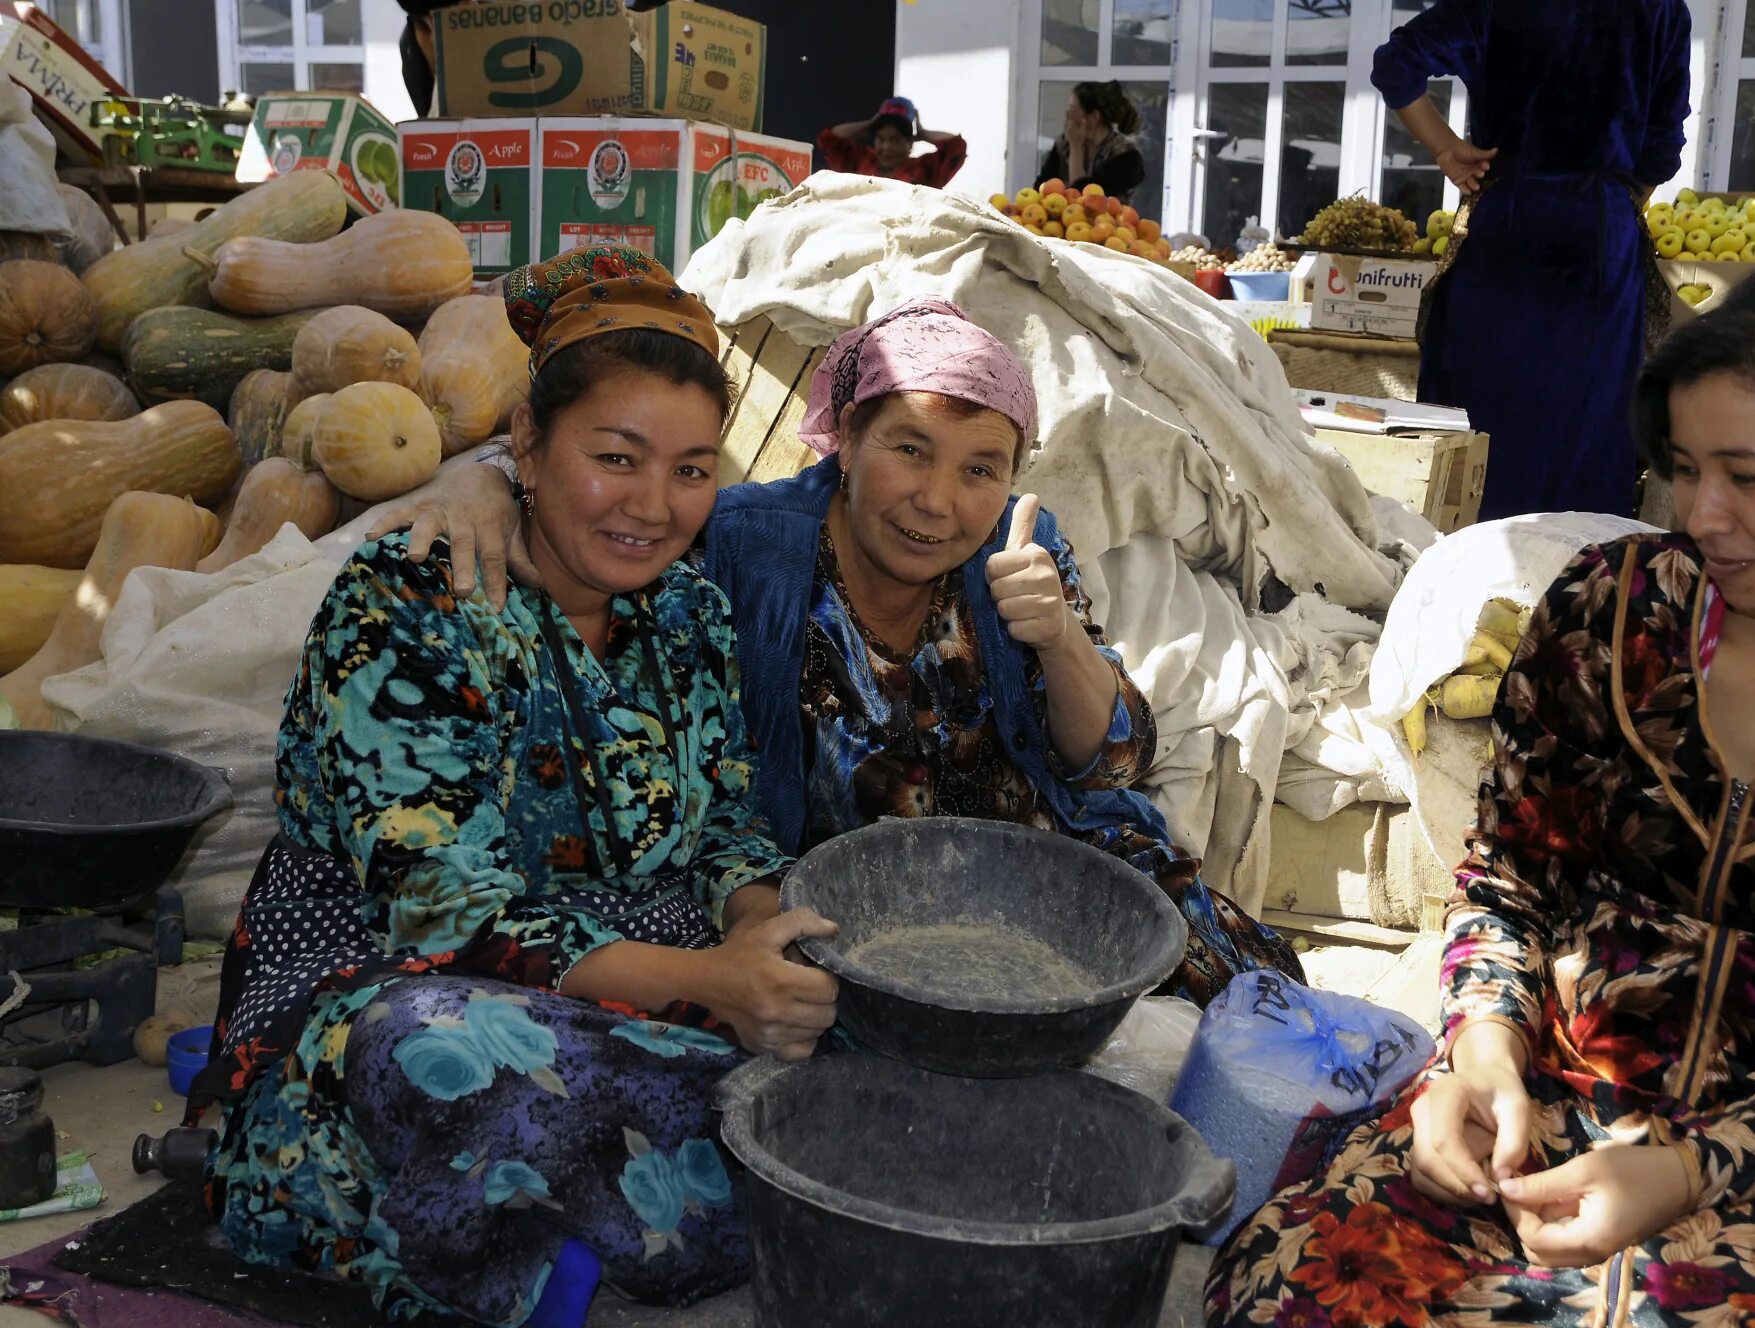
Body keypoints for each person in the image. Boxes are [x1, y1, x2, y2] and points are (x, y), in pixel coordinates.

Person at [1207, 232, 1755, 1328]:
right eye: (1683, 467)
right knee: (1290, 1283)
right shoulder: (1606, 616)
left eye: (1746, 477)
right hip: (1551, 1096)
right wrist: (1482, 1046)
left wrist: (1681, 1173)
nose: (1697, 514)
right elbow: (1507, 878)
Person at [198, 246, 838, 1328]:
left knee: (852, 1006)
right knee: (451, 1054)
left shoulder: (688, 613)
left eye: (691, 468)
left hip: (655, 989)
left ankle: (651, 1198)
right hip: (398, 984)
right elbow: (441, 905)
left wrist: (761, 936)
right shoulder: (406, 597)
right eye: (617, 457)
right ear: (528, 448)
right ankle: (710, 1185)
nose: (654, 504)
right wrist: (715, 984)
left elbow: (727, 818)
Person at [371, 299, 1303, 1007]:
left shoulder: (1018, 547)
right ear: (846, 438)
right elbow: (602, 504)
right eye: (910, 449)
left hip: (1036, 877)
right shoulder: (738, 544)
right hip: (852, 909)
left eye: (980, 467)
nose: (940, 500)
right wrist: (488, 482)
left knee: (1249, 1005)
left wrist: (1059, 638)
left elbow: (1113, 761)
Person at [1375, 0, 1692, 520]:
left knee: (1481, 415)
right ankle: (1574, 580)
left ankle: (1465, 567)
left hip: (1506, 220)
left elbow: (1395, 64)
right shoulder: (1661, 9)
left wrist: (1446, 147)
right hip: (1600, 233)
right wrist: (1617, 199)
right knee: (1587, 424)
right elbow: (1663, 142)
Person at [818, 96, 968, 188]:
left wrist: (922, 133)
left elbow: (956, 147)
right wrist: (870, 123)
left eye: (895, 140)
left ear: (910, 142)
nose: (886, 147)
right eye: (880, 139)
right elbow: (829, 141)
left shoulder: (924, 170)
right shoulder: (861, 161)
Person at [1038, 81, 1146, 199]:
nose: (1068, 115)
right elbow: (1040, 188)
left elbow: (1088, 202)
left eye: (1072, 110)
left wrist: (1076, 148)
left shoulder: (1127, 156)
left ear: (1094, 117)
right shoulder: (1063, 145)